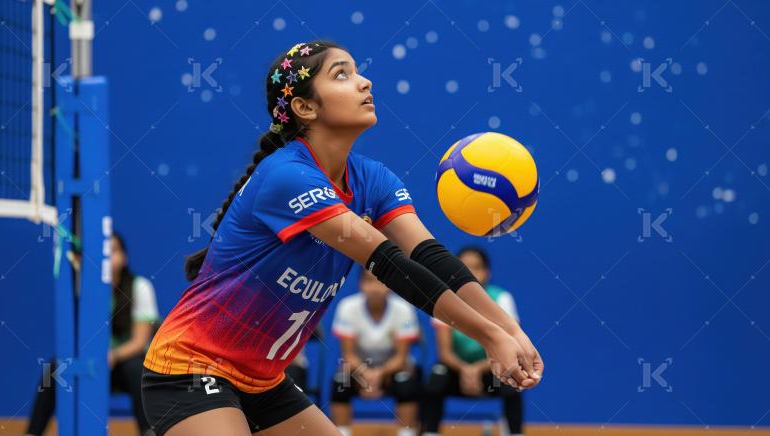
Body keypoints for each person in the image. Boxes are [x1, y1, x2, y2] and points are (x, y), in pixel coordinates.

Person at [141, 40, 543, 436]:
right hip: (191, 368)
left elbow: (428, 255)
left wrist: (510, 330)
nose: (365, 82)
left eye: (358, 70)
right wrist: (491, 337)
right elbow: (388, 263)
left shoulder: (373, 179)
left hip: (262, 381)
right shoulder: (289, 177)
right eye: (342, 74)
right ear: (305, 107)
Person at [25, 233, 159, 436]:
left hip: (123, 364)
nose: (107, 256)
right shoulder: (84, 288)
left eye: (113, 250)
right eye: (102, 251)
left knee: (136, 368)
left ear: (124, 257)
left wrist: (113, 356)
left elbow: (139, 341)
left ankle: (148, 431)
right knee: (55, 367)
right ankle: (32, 432)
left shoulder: (140, 287)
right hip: (93, 362)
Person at [421, 246, 524, 436]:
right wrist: (465, 370)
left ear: (487, 272)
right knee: (435, 379)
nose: (470, 273)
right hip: (456, 371)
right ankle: (430, 432)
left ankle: (515, 432)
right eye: (463, 267)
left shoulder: (502, 298)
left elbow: (509, 348)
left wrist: (476, 369)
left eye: (476, 268)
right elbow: (444, 353)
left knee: (513, 378)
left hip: (491, 370)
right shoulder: (443, 299)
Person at [331, 270, 420, 436]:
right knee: (340, 382)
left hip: (392, 370)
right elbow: (348, 355)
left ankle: (407, 433)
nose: (375, 287)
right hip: (358, 369)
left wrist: (378, 374)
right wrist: (365, 374)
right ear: (360, 284)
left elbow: (401, 357)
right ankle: (342, 432)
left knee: (406, 382)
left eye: (381, 282)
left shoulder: (403, 309)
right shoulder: (347, 307)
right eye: (369, 281)